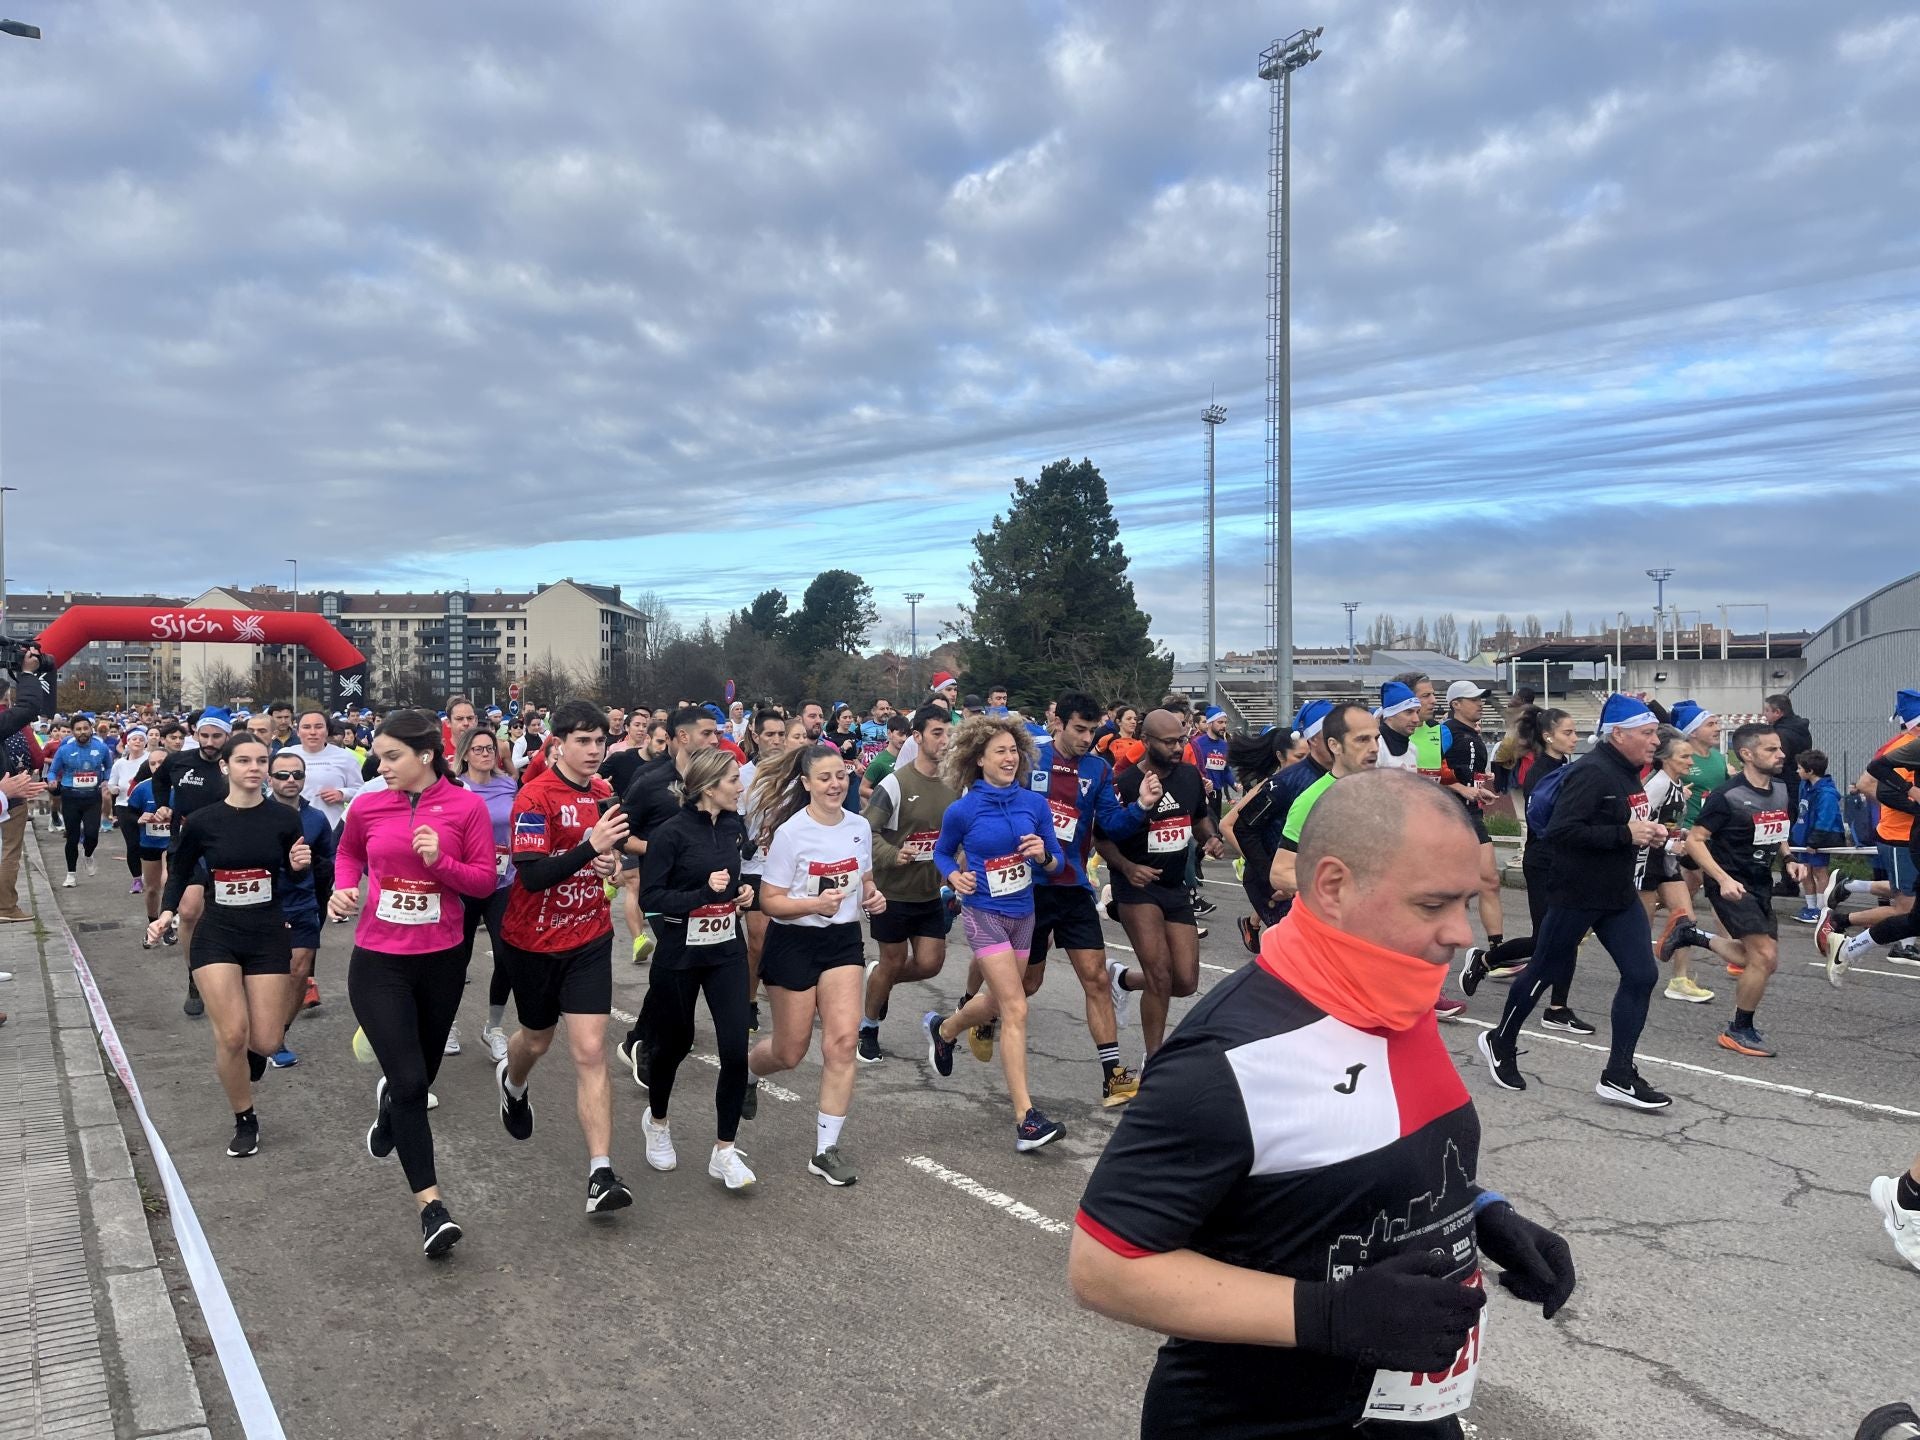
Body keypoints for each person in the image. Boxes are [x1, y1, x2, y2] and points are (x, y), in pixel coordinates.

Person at [1070, 769, 1575, 1439]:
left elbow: (1356, 1147)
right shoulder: (1228, 1059)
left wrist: (1478, 1212)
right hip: (1256, 1422)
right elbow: (1103, 1268)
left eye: (1466, 902)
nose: (1460, 932)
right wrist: (1328, 1315)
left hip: (1404, 1410)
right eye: (1433, 905)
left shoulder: (1393, 989)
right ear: (1334, 886)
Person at [329, 709, 498, 1256]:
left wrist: (440, 860)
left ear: (425, 755)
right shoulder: (369, 803)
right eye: (378, 755)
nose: (381, 766)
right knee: (407, 1084)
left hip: (442, 960)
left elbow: (483, 880)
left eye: (391, 756)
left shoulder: (465, 806)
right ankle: (432, 1208)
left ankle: (391, 1110)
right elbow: (350, 851)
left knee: (418, 1080)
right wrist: (343, 887)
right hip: (378, 962)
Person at [1480, 694, 1673, 1110]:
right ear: (1618, 734)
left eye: (1655, 732)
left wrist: (1648, 831)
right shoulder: (1592, 772)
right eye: (1647, 732)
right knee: (1544, 970)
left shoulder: (1627, 771)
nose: (1655, 740)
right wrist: (1626, 835)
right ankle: (1501, 1040)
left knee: (1641, 976)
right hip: (1577, 892)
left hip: (1617, 894)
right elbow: (1563, 831)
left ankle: (1618, 1074)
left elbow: (1619, 821)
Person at [493, 701, 636, 1215]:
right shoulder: (533, 798)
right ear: (557, 744)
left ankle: (601, 1172)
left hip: (589, 939)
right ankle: (513, 1082)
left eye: (601, 741)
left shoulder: (604, 794)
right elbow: (530, 876)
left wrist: (611, 864)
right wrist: (586, 849)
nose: (594, 751)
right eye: (583, 741)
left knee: (591, 1050)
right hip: (531, 942)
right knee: (536, 1039)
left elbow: (611, 859)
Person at [145, 735, 313, 1158]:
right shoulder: (203, 820)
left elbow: (291, 881)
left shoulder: (283, 819)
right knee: (233, 1035)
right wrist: (164, 915)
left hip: (267, 931)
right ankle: (245, 1118)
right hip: (217, 932)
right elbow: (181, 872)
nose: (254, 768)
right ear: (226, 767)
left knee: (268, 1041)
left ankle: (254, 1058)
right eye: (244, 761)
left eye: (261, 761)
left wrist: (296, 869)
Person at [921, 715, 1070, 1151]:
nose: (1010, 758)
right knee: (1015, 1009)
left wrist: (1044, 856)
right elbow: (943, 851)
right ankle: (1026, 1118)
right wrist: (954, 878)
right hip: (983, 912)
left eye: (1013, 751)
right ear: (979, 759)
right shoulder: (963, 809)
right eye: (1000, 751)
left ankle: (945, 1029)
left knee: (1000, 1000)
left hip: (1023, 913)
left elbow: (1057, 861)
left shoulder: (1034, 804)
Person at [746, 742, 883, 1186]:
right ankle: (747, 1071)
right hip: (794, 943)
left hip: (842, 941)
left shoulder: (860, 826)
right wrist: (813, 904)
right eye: (824, 778)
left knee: (843, 1043)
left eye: (841, 775)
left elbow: (862, 879)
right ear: (806, 784)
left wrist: (872, 897)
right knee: (790, 1051)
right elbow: (769, 901)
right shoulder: (791, 832)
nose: (835, 784)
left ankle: (825, 1150)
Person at [1022, 692, 1154, 1105]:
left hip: (1073, 886)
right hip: (1029, 887)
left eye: (1093, 730)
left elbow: (1110, 822)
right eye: (1079, 729)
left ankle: (1113, 1078)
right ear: (1057, 722)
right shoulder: (1029, 758)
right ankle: (964, 1016)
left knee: (1096, 979)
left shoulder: (1097, 768)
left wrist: (1142, 807)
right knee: (1027, 983)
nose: (1086, 737)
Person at [636, 748, 757, 1191]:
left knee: (734, 1049)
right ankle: (658, 1121)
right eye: (732, 782)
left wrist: (742, 896)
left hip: (725, 948)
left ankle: (724, 1150)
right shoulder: (670, 833)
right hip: (680, 954)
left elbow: (734, 880)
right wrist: (702, 893)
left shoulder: (732, 825)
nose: (740, 788)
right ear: (708, 788)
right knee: (674, 1044)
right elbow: (652, 898)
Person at [1668, 724, 1804, 1057]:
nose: (1781, 754)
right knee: (1764, 956)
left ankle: (1691, 935)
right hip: (1730, 881)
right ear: (1746, 754)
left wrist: (1788, 858)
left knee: (1762, 961)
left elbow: (1779, 829)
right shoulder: (1727, 796)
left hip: (1760, 882)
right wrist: (1723, 878)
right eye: (1771, 749)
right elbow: (1695, 841)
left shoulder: (1783, 790)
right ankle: (1738, 1029)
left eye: (1780, 748)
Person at [1098, 708, 1222, 1058]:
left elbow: (1198, 819)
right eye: (1168, 742)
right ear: (1147, 741)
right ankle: (1154, 1058)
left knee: (1184, 982)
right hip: (1136, 888)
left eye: (1181, 740)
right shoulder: (1124, 785)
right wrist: (1126, 866)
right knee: (1159, 974)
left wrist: (1210, 838)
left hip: (1173, 888)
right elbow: (1101, 838)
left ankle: (1122, 980)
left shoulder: (1188, 776)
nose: (1177, 748)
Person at [859, 705, 958, 1064]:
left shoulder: (954, 784)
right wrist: (892, 853)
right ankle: (868, 1027)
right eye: (937, 733)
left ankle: (880, 982)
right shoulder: (895, 784)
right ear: (917, 737)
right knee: (894, 959)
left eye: (949, 733)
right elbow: (864, 832)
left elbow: (956, 836)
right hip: (892, 893)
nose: (945, 740)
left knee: (931, 963)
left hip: (928, 891)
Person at [147, 709, 239, 1017]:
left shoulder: (235, 764)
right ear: (195, 734)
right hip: (186, 845)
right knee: (188, 911)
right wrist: (162, 805)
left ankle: (231, 970)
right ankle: (194, 977)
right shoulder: (179, 760)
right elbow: (158, 780)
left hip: (227, 848)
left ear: (227, 736)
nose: (210, 742)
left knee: (225, 913)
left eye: (217, 736)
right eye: (204, 735)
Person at [262, 749, 336, 1065]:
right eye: (282, 775)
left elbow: (330, 864)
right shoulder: (253, 812)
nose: (290, 780)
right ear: (269, 778)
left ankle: (277, 1037)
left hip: (303, 904)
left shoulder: (316, 818)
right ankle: (258, 1029)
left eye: (297, 774)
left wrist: (319, 874)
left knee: (298, 970)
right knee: (263, 976)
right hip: (261, 905)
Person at [454, 727, 519, 1063]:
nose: (485, 754)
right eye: (478, 749)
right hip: (463, 884)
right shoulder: (453, 787)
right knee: (455, 958)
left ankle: (493, 1027)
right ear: (465, 753)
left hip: (502, 881)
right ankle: (448, 1022)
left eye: (490, 748)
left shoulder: (509, 784)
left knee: (507, 955)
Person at [1267, 703, 1378, 899]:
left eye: (1376, 738)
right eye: (1362, 740)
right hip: (1337, 921)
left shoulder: (1387, 790)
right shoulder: (1312, 799)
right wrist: (1341, 891)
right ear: (1334, 745)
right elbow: (1280, 873)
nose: (1374, 748)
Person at [738, 707, 790, 1035]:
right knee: (758, 940)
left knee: (782, 940)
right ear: (755, 736)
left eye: (780, 734)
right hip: (753, 866)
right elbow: (736, 828)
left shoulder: (795, 773)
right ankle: (749, 1000)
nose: (776, 740)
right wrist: (758, 837)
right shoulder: (742, 776)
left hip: (787, 867)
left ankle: (788, 1001)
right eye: (769, 734)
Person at [47, 713, 114, 886]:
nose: (82, 732)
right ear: (72, 732)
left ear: (91, 729)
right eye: (78, 729)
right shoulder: (65, 749)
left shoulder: (101, 748)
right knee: (72, 837)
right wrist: (52, 780)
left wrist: (106, 779)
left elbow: (109, 767)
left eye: (85, 728)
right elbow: (53, 770)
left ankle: (88, 854)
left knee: (92, 835)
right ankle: (71, 874)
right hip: (70, 796)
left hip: (92, 796)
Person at [1789, 750, 1844, 923]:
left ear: (1810, 770)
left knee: (1820, 871)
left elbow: (1825, 819)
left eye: (1799, 768)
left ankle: (1822, 909)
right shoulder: (1804, 786)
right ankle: (1811, 906)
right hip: (1803, 835)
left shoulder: (1826, 793)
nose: (1797, 771)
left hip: (1819, 837)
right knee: (1804, 871)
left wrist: (1815, 840)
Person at [291, 708, 365, 828]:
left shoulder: (345, 757)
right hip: (293, 826)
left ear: (327, 731)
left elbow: (361, 791)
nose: (313, 732)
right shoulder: (286, 754)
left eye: (319, 727)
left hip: (331, 826)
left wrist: (342, 794)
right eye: (306, 727)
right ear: (297, 731)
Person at [105, 727, 151, 893]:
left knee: (148, 844)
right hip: (125, 806)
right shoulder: (120, 764)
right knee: (133, 845)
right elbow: (111, 783)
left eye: (140, 739)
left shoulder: (150, 760)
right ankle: (137, 879)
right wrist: (114, 789)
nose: (137, 742)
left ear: (145, 742)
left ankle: (150, 875)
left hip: (148, 806)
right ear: (127, 743)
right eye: (133, 739)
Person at [1764, 693, 1812, 817]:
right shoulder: (1802, 729)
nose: (1765, 714)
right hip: (1800, 780)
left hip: (1785, 783)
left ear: (1778, 712)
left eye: (1767, 710)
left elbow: (1778, 761)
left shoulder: (1781, 733)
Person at [1094, 705, 1144, 773]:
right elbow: (1090, 757)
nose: (1133, 722)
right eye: (1129, 719)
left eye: (1135, 719)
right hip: (1112, 780)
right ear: (1118, 722)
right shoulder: (1109, 738)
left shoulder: (1140, 743)